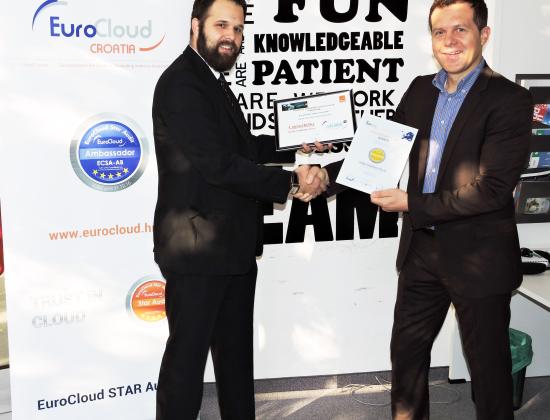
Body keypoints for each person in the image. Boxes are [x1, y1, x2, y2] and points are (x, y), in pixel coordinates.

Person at [323, 0, 532, 418]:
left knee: (488, 372)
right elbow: (380, 150)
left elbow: (491, 190)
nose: (449, 41)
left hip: (479, 258)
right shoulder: (421, 89)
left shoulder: (511, 100)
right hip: (422, 251)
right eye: (440, 32)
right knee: (406, 358)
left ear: (483, 34)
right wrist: (323, 177)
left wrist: (411, 203)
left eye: (460, 30)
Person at [151, 0, 328, 418]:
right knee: (185, 367)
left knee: (235, 362)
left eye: (238, 28)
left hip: (232, 247)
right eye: (222, 25)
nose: (231, 36)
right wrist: (292, 182)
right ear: (196, 26)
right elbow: (217, 164)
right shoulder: (182, 84)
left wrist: (296, 143)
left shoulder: (211, 81)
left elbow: (241, 148)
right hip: (197, 252)